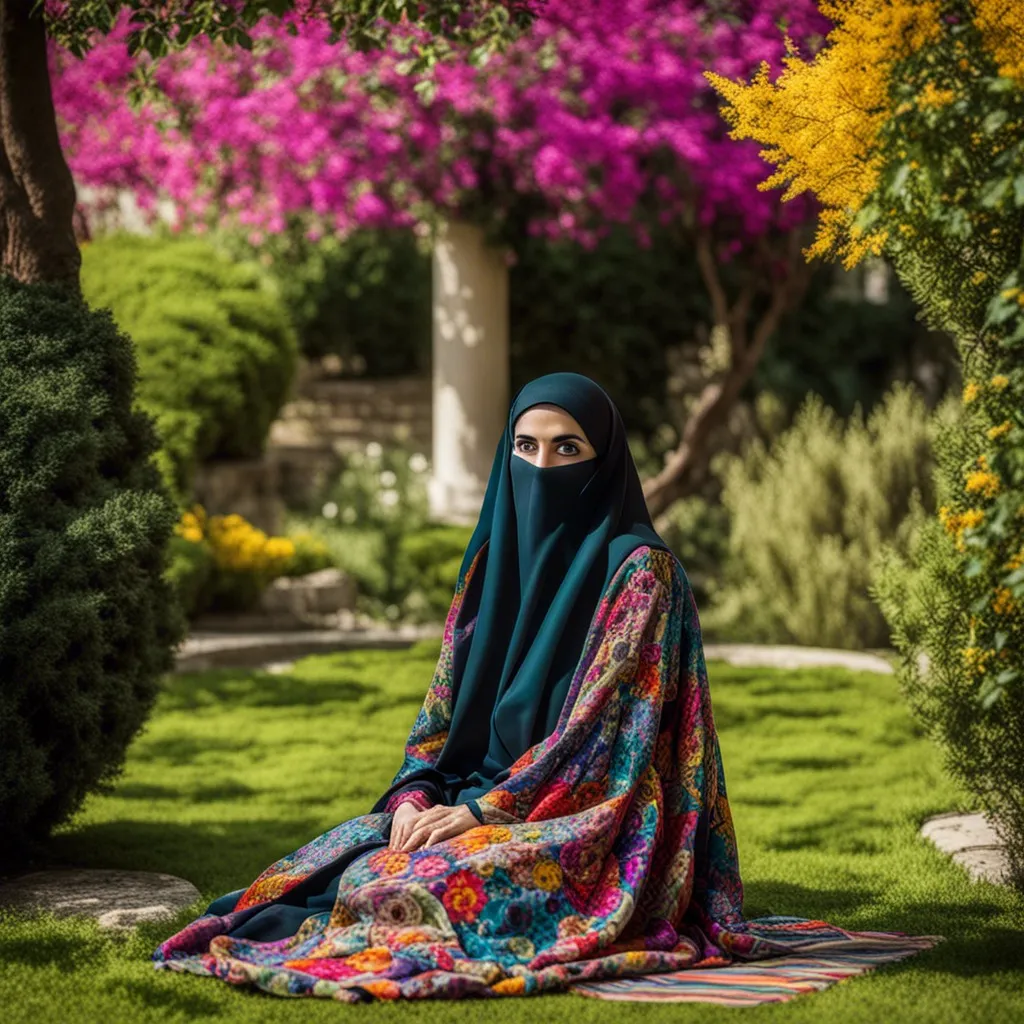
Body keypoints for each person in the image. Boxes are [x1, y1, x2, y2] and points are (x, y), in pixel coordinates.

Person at [153, 372, 937, 1003]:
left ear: (604, 463)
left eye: (568, 450)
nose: (543, 467)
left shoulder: (639, 575)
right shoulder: (491, 564)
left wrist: (482, 814)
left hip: (588, 816)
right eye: (525, 446)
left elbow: (602, 742)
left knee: (426, 890)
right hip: (469, 795)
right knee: (343, 867)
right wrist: (416, 796)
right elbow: (439, 715)